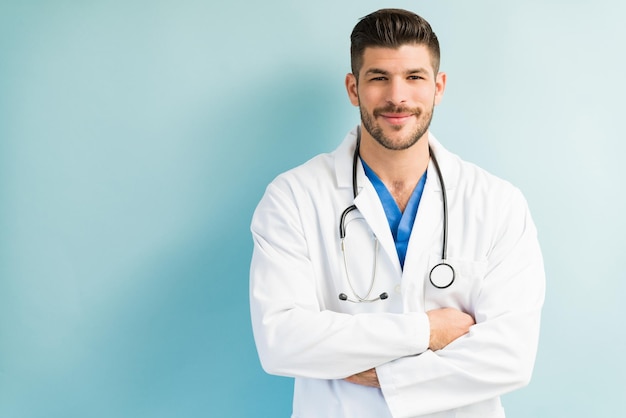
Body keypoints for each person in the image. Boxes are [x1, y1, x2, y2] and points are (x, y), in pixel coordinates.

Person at [249, 8, 545, 418]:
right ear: (353, 89)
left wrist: (383, 374)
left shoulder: (496, 203)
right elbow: (281, 340)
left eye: (414, 77)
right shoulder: (294, 198)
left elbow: (510, 355)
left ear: (438, 87)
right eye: (379, 78)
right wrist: (428, 330)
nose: (397, 97)